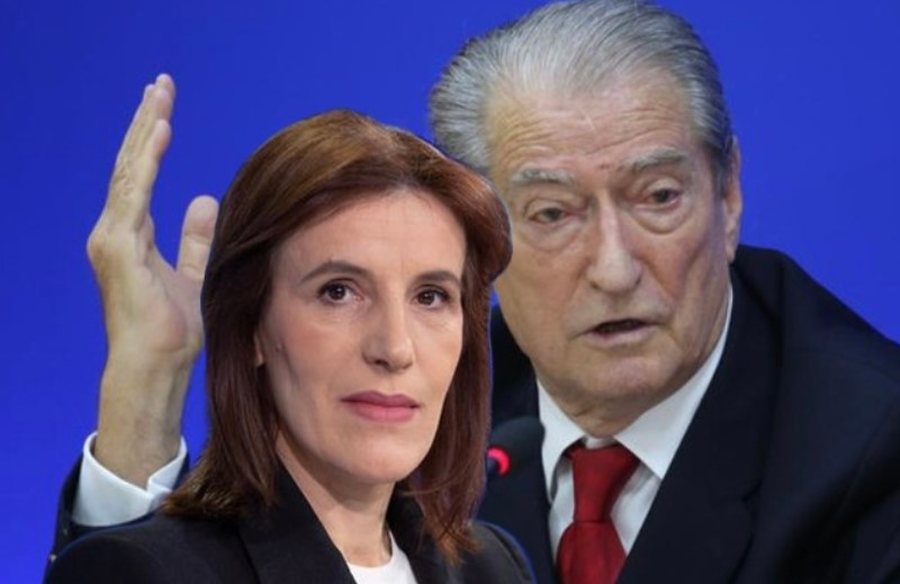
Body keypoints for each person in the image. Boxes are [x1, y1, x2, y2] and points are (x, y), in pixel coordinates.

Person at [49, 1, 900, 583]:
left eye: (658, 198)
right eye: (551, 212)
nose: (614, 267)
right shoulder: (438, 411)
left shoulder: (874, 450)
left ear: (730, 196)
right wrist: (145, 399)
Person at [46, 75, 533, 583]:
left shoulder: (493, 568)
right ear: (252, 327)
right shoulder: (150, 570)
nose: (395, 347)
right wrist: (147, 380)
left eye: (431, 297)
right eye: (338, 291)